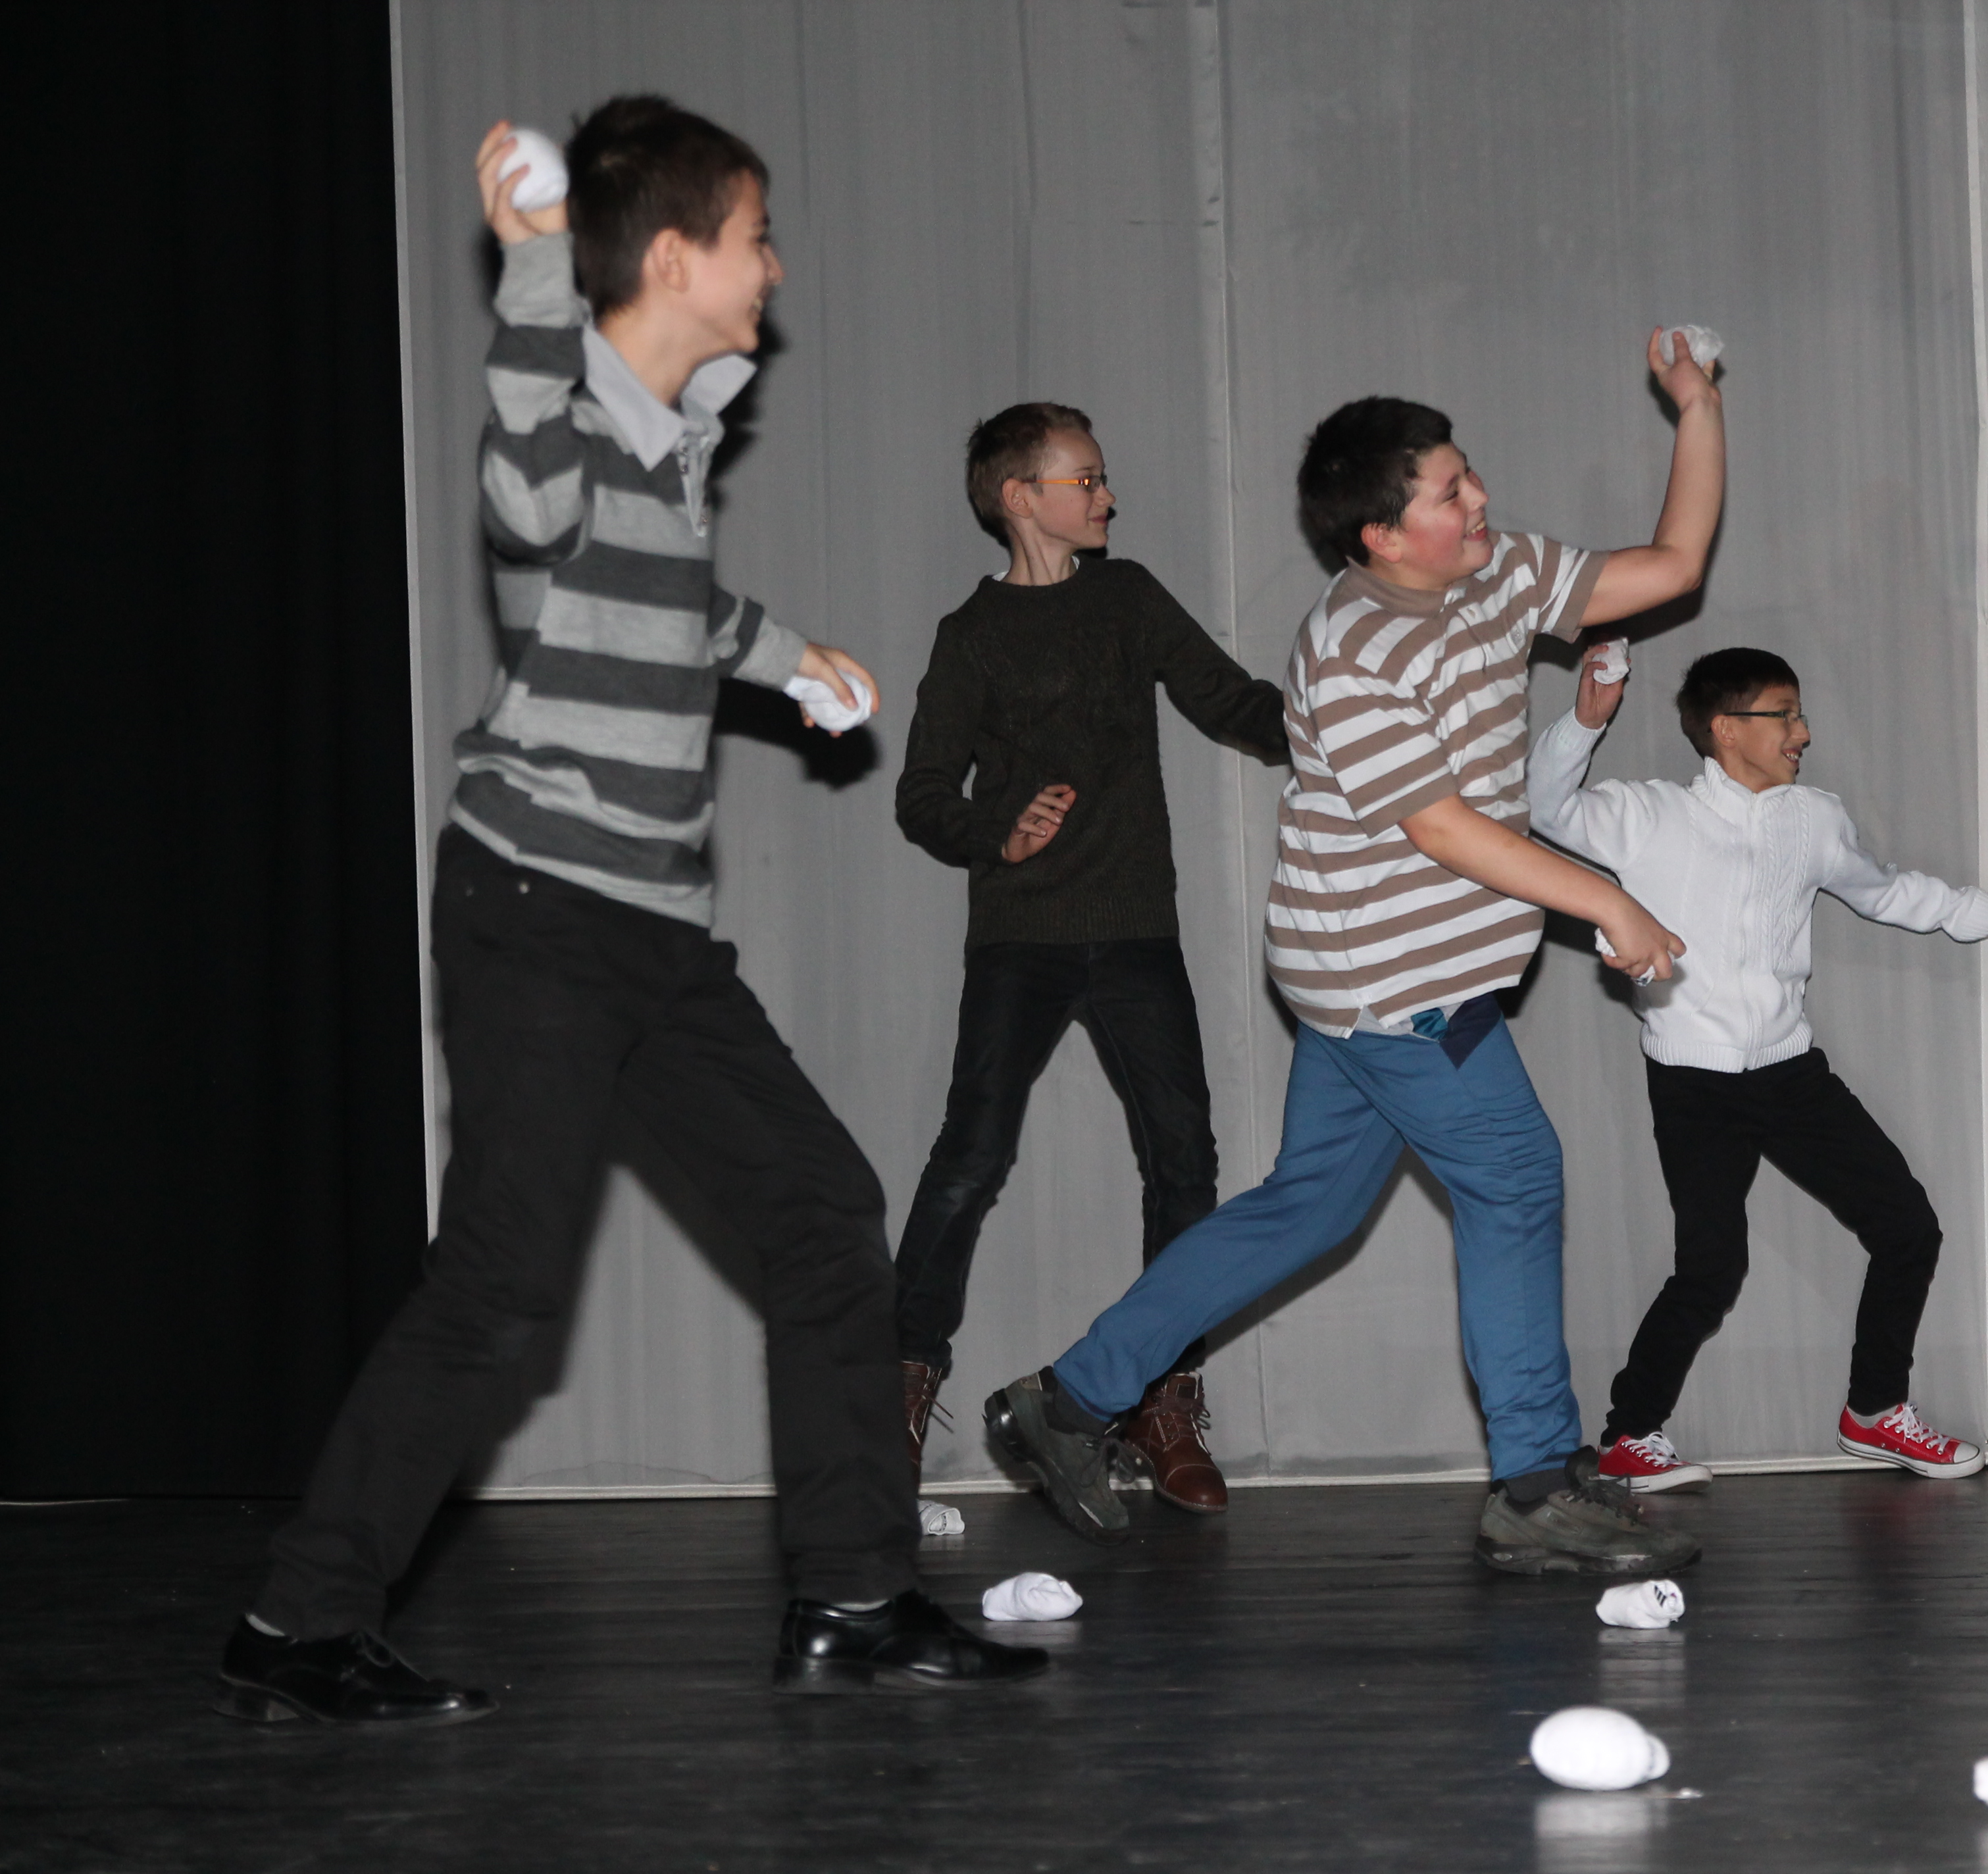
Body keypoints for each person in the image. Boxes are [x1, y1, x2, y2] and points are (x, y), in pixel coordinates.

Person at [214, 101, 1043, 1728]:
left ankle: (854, 1595)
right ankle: (296, 1622)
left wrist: (792, 659)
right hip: (540, 906)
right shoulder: (568, 420)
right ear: (672, 257)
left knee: (823, 1212)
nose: (776, 267)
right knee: (502, 1280)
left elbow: (671, 602)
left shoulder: (660, 453)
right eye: (755, 236)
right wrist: (535, 259)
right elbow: (527, 487)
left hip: (652, 933)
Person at [985, 335, 1725, 1575]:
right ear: (1381, 536)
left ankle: (1063, 1403)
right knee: (1515, 1179)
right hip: (1392, 981)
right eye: (1449, 492)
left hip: (1367, 972)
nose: (1479, 499)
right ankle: (1534, 1487)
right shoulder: (1353, 652)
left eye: (1467, 474)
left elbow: (1672, 564)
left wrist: (1697, 407)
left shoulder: (1498, 572)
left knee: (1307, 1208)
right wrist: (1610, 902)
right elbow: (1443, 828)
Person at [1526, 645, 1988, 1493]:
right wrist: (1586, 720)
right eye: (1785, 715)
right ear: (1726, 729)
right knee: (1711, 1270)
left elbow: (1887, 891)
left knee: (1908, 1228)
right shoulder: (1647, 814)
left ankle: (1874, 1412)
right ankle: (1628, 1437)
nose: (1803, 733)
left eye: (1800, 714)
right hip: (1693, 1081)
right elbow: (1546, 807)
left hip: (1789, 1073)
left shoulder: (1815, 820)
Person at [888, 403, 1290, 1511]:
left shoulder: (1127, 597)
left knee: (1185, 1163)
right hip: (1020, 939)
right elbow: (922, 794)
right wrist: (996, 829)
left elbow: (1232, 701)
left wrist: (1349, 726)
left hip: (1135, 932)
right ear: (1022, 497)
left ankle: (1160, 1395)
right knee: (969, 1161)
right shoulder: (971, 634)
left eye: (1104, 479)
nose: (1109, 496)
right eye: (1088, 479)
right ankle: (898, 1388)